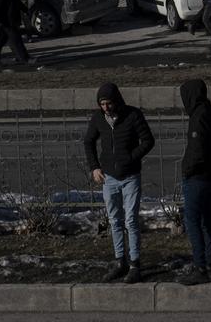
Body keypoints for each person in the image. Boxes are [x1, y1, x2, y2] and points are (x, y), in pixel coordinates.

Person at [82, 82, 156, 284]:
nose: (105, 107)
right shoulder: (98, 118)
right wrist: (94, 167)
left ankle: (135, 264)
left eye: (108, 103)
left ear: (117, 101)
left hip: (130, 175)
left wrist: (131, 158)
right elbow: (88, 141)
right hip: (109, 177)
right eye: (102, 104)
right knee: (114, 220)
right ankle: (119, 261)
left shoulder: (132, 115)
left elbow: (148, 140)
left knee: (131, 220)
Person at [178, 78, 211, 284]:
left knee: (193, 221)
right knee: (209, 221)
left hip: (197, 175)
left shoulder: (198, 116)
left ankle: (200, 266)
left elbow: (197, 150)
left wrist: (187, 170)